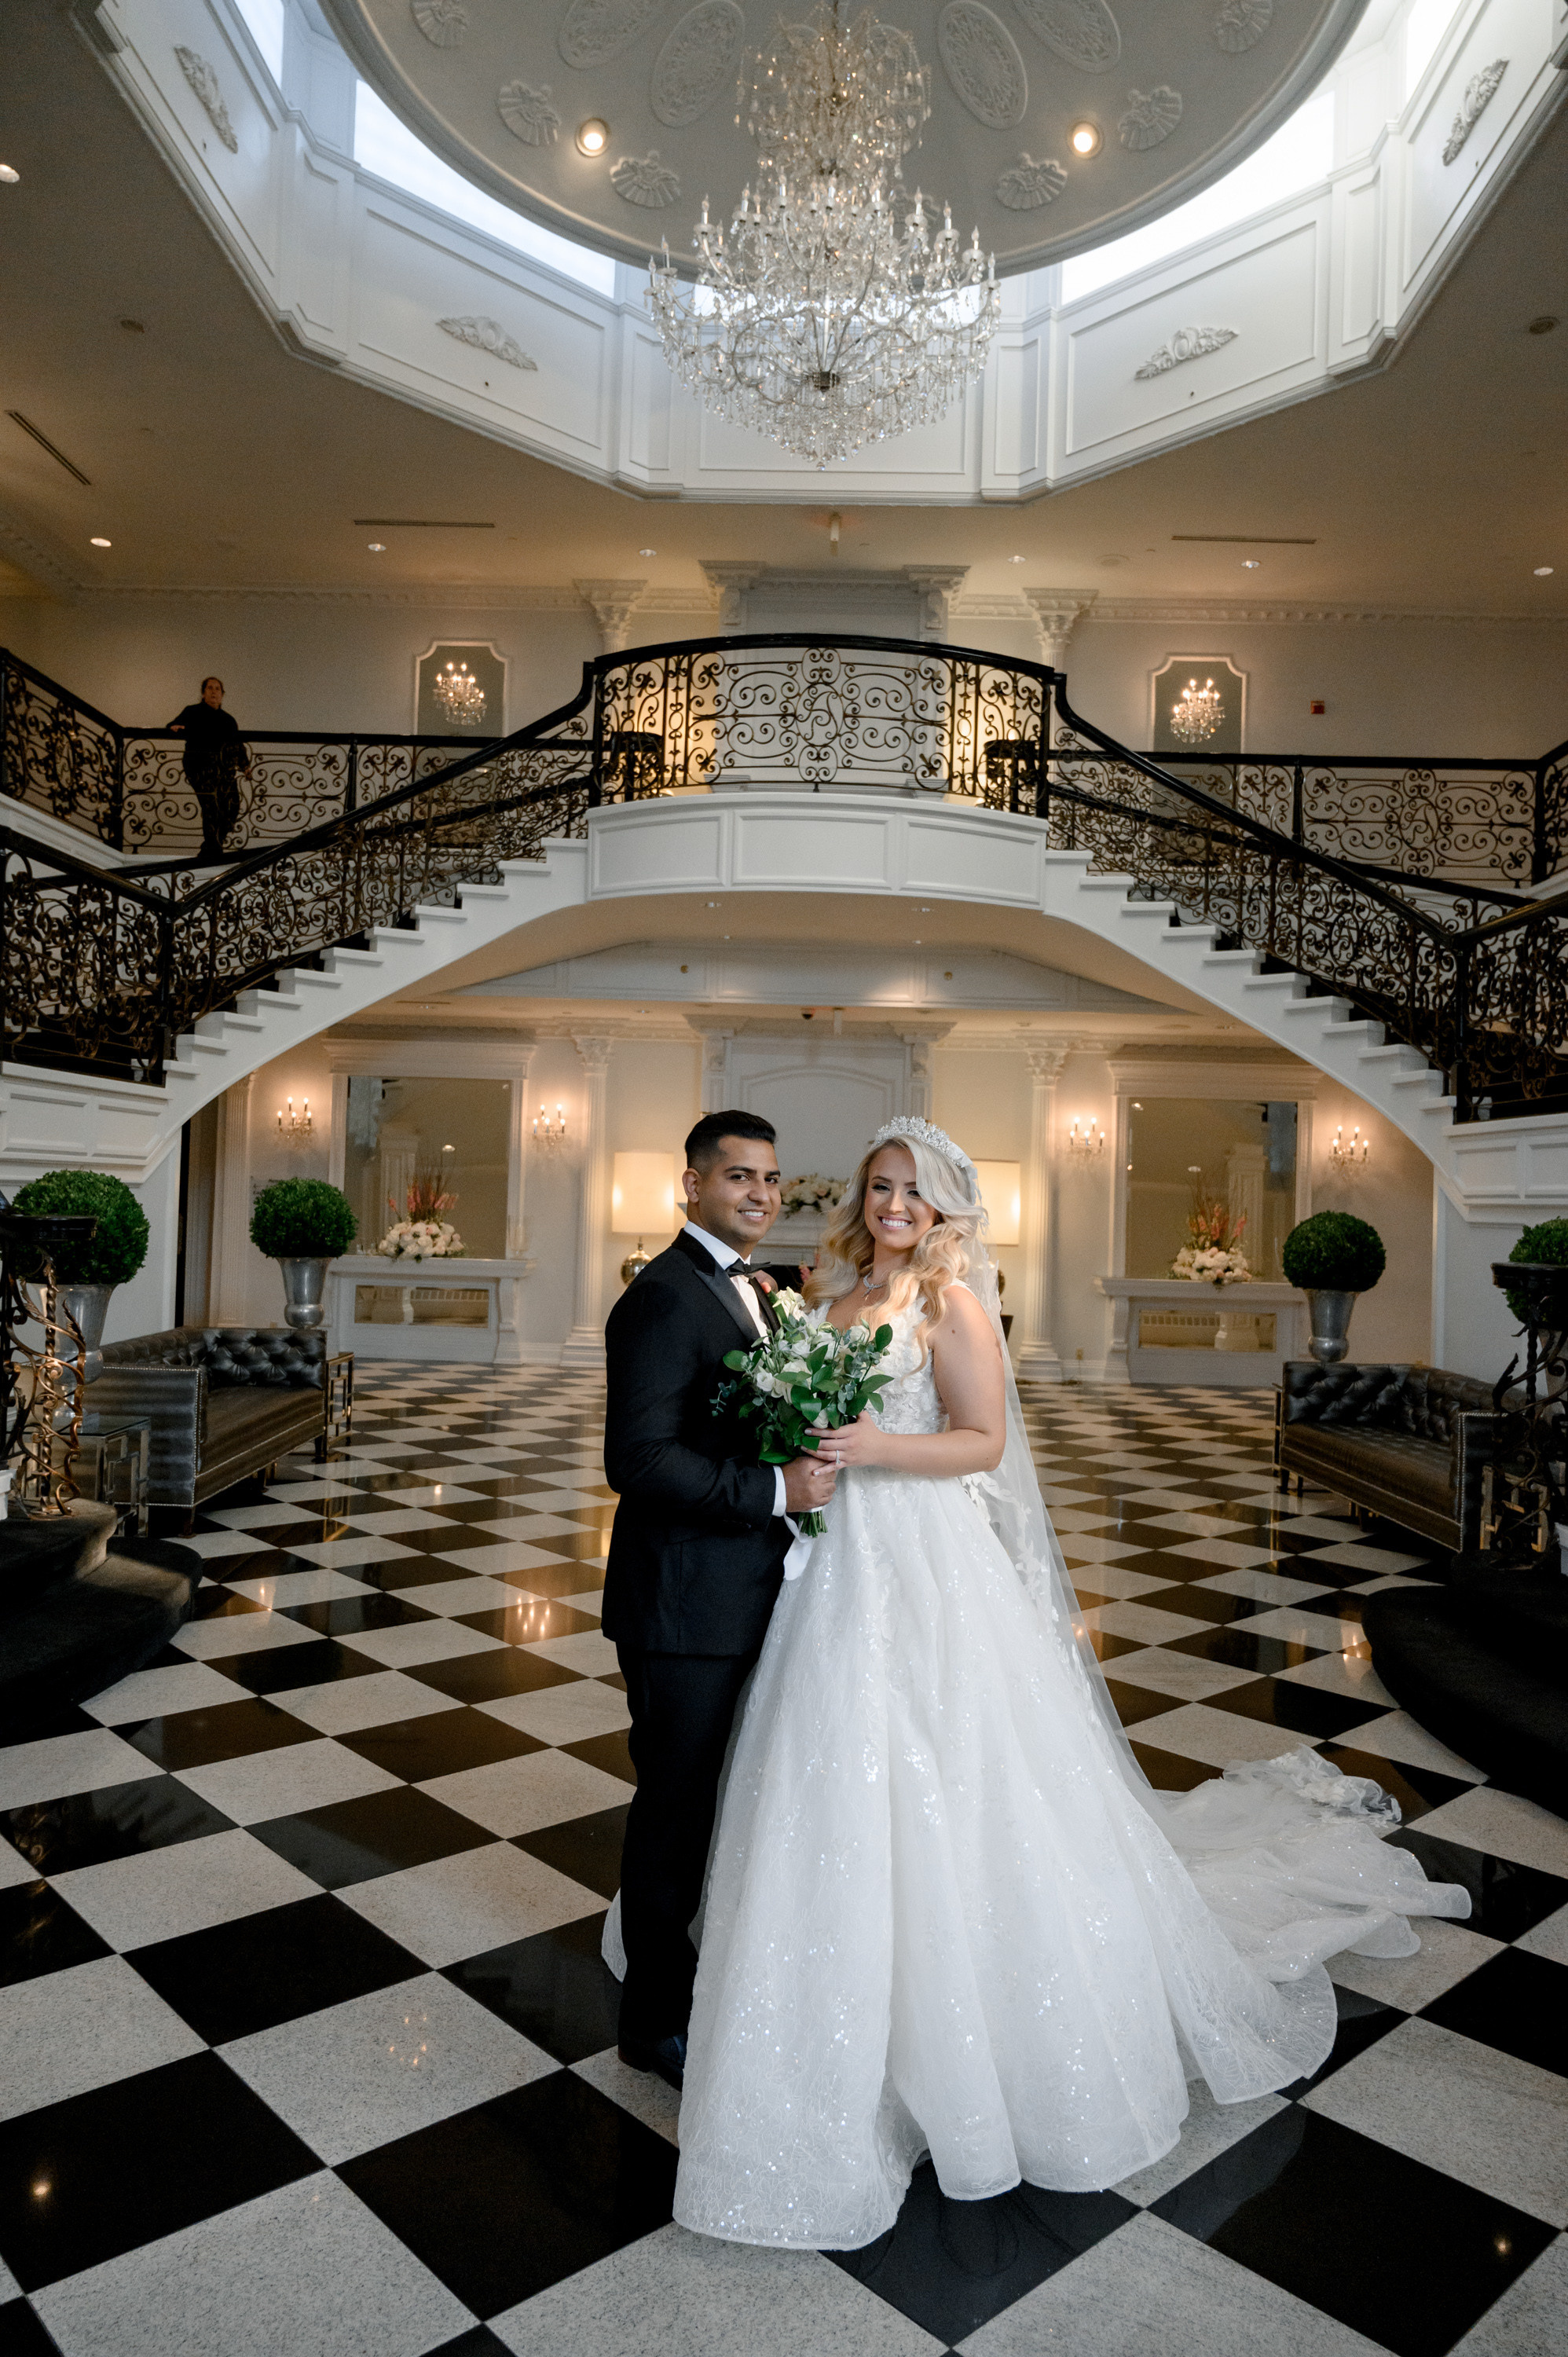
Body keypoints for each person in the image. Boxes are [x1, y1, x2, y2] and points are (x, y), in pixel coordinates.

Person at [668, 1116, 1471, 2251]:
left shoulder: (948, 1303)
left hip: (922, 1559)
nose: (894, 1203)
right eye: (880, 1184)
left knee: (951, 1769)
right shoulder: (830, 1291)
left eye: (914, 1190)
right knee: (826, 1763)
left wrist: (868, 1446)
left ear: (946, 1207)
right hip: (834, 1561)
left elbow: (983, 1441)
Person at [600, 1109, 840, 2093]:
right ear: (690, 1185)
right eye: (738, 1176)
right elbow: (640, 1460)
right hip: (683, 1609)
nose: (760, 1194)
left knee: (723, 1798)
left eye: (772, 1179)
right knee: (676, 1806)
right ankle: (651, 2019)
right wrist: (777, 1491)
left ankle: (707, 1977)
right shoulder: (663, 1298)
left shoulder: (753, 1292)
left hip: (743, 1589)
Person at [167, 676, 251, 860]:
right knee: (211, 806)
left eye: (218, 689)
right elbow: (173, 726)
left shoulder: (228, 720)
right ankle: (213, 851)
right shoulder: (192, 712)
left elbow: (237, 745)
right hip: (200, 766)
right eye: (210, 688)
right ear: (203, 693)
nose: (214, 692)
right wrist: (177, 728)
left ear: (222, 695)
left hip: (224, 769)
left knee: (232, 806)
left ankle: (211, 847)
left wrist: (245, 766)